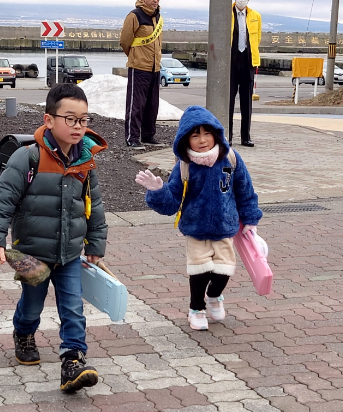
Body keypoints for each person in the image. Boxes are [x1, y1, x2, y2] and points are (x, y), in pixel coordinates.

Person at [0, 83, 108, 392]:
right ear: (49, 120)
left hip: (69, 253)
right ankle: (24, 333)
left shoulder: (85, 161)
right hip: (30, 252)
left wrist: (95, 244)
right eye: (70, 119)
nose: (78, 126)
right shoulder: (27, 158)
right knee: (32, 306)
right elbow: (2, 201)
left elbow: (94, 206)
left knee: (73, 309)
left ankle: (73, 361)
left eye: (84, 119)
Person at [135, 105, 263, 330]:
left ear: (216, 134)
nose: (202, 140)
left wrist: (250, 219)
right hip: (195, 228)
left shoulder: (231, 159)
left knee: (224, 270)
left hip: (225, 227)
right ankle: (196, 309)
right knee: (199, 271)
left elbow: (245, 191)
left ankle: (214, 296)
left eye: (207, 133)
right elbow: (172, 202)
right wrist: (158, 191)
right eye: (195, 135)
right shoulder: (184, 166)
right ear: (186, 139)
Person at [120, 0, 163, 149]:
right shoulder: (135, 15)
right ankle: (132, 138)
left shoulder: (157, 17)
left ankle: (148, 135)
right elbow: (125, 41)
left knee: (152, 104)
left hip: (155, 67)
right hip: (139, 67)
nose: (156, 1)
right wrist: (135, 56)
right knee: (136, 104)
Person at [229, 0, 262, 147]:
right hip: (231, 61)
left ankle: (245, 137)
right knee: (229, 101)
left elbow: (257, 38)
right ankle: (227, 136)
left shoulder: (255, 16)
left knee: (246, 101)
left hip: (248, 61)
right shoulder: (227, 14)